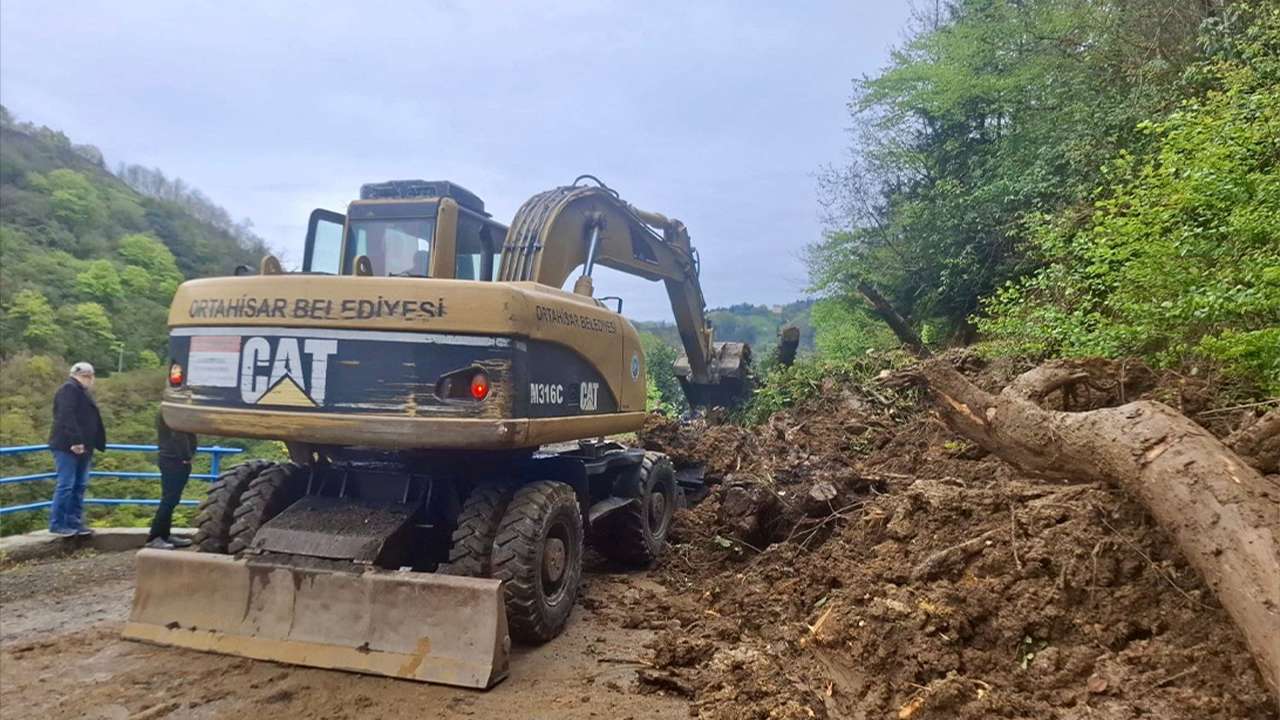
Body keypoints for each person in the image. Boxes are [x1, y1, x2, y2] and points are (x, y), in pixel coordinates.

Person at [48, 362, 106, 537]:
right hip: (69, 447)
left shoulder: (80, 391)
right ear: (86, 376)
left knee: (79, 484)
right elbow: (65, 416)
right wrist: (76, 440)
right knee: (66, 485)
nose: (91, 380)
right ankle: (58, 524)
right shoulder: (69, 389)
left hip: (84, 446)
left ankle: (74, 522)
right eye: (89, 376)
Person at [146, 410, 196, 549]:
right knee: (169, 499)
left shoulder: (170, 410)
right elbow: (178, 434)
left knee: (172, 499)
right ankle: (155, 537)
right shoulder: (172, 411)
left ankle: (165, 534)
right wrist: (186, 456)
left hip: (174, 459)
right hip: (174, 460)